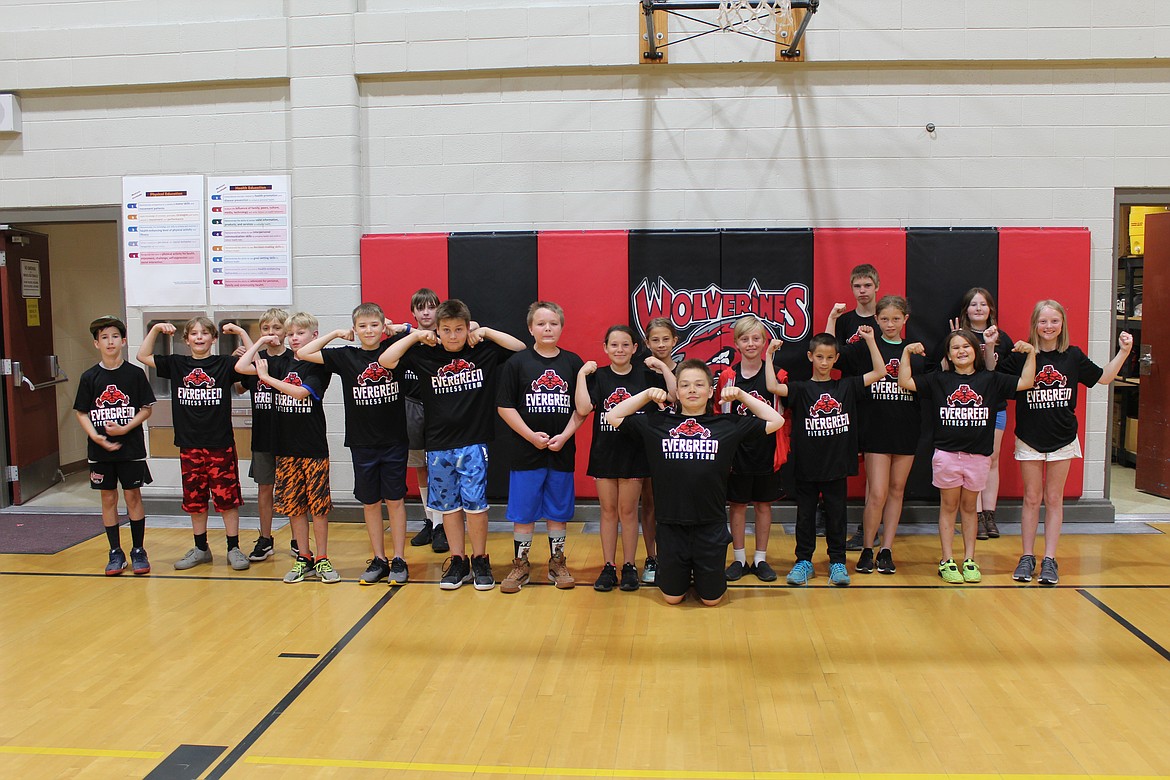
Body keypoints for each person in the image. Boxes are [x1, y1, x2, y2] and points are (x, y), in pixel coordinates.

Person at [606, 359, 783, 606]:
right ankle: (684, 573)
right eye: (685, 385)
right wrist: (646, 394)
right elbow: (612, 416)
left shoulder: (727, 425)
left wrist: (742, 395)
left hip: (710, 525)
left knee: (711, 600)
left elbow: (777, 421)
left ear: (711, 391)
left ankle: (699, 572)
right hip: (670, 524)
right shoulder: (658, 423)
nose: (692, 390)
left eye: (699, 385)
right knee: (672, 598)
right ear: (676, 392)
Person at [378, 299, 525, 591]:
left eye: (459, 329)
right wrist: (416, 335)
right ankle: (458, 560)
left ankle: (480, 558)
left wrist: (485, 332)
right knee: (449, 506)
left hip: (473, 442)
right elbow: (386, 361)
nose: (454, 336)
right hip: (438, 445)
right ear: (438, 329)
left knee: (475, 505)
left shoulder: (480, 351)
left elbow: (519, 348)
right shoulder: (425, 354)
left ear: (467, 327)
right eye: (447, 330)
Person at [1000, 300, 1133, 585]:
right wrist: (988, 348)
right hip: (1029, 438)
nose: (1049, 327)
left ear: (1062, 325)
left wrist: (1124, 351)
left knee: (1054, 499)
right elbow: (994, 379)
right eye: (1043, 321)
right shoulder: (1024, 355)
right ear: (1035, 324)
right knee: (1031, 499)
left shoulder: (1072, 356)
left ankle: (1049, 558)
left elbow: (1105, 378)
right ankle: (1027, 556)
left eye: (1054, 321)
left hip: (1062, 438)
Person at [898, 330, 1036, 584]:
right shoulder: (940, 379)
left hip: (978, 457)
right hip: (947, 455)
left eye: (966, 346)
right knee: (949, 507)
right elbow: (905, 382)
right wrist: (906, 352)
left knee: (970, 509)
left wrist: (1031, 354)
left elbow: (1026, 382)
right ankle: (947, 559)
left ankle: (970, 559)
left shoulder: (991, 379)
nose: (961, 351)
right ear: (948, 355)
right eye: (955, 348)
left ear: (977, 350)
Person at [297, 302, 412, 586]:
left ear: (383, 326)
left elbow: (425, 335)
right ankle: (379, 559)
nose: (369, 330)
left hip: (394, 439)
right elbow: (303, 352)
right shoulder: (346, 356)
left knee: (395, 501)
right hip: (362, 442)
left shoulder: (395, 347)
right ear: (355, 329)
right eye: (362, 326)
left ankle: (399, 558)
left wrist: (403, 329)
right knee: (370, 502)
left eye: (375, 325)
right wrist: (336, 333)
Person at [766, 329, 886, 587]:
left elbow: (880, 372)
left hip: (837, 465)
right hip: (807, 465)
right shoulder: (800, 388)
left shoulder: (846, 385)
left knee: (836, 516)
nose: (823, 362)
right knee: (805, 517)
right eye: (819, 356)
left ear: (836, 359)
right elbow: (772, 386)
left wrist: (870, 340)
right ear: (810, 356)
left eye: (829, 357)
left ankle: (837, 561)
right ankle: (803, 561)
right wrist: (768, 354)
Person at [138, 317, 251, 571]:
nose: (199, 337)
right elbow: (142, 355)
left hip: (220, 443)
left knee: (227, 499)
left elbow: (253, 364)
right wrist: (156, 329)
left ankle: (233, 547)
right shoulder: (178, 364)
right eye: (194, 334)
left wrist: (242, 332)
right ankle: (201, 548)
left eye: (205, 333)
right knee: (195, 499)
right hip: (189, 444)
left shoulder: (224, 363)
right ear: (186, 339)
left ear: (214, 339)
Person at [237, 312, 336, 584]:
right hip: (285, 449)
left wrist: (267, 379)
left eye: (300, 333)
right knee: (294, 507)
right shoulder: (279, 363)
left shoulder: (318, 365)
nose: (294, 338)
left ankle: (322, 559)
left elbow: (300, 393)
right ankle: (303, 557)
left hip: (313, 448)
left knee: (318, 508)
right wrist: (257, 345)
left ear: (313, 336)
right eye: (290, 333)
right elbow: (242, 367)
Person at [496, 301, 586, 594]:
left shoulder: (573, 363)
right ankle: (521, 564)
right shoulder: (517, 363)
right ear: (530, 328)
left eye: (553, 324)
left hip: (561, 451)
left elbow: (582, 408)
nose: (548, 329)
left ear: (562, 326)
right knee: (524, 513)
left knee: (557, 513)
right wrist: (530, 435)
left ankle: (556, 562)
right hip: (526, 452)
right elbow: (505, 407)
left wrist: (566, 435)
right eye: (541, 324)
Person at [576, 325, 674, 592]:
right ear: (605, 348)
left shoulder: (646, 375)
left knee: (629, 511)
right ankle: (609, 566)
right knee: (608, 512)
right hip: (605, 453)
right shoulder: (600, 376)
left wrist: (664, 369)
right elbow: (584, 408)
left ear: (634, 348)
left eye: (625, 345)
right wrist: (581, 376)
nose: (619, 350)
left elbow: (674, 395)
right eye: (614, 345)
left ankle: (630, 565)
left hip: (635, 453)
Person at [840, 295, 926, 575]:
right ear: (875, 319)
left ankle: (886, 549)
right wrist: (832, 320)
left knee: (896, 491)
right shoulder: (866, 349)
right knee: (876, 493)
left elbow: (925, 386)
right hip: (875, 430)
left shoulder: (914, 351)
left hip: (906, 429)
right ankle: (867, 548)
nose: (890, 324)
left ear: (905, 320)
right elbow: (829, 352)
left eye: (896, 319)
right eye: (885, 319)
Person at [74, 315, 156, 576]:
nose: (110, 342)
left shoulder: (134, 374)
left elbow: (146, 409)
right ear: (96, 343)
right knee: (108, 497)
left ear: (123, 341)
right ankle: (115, 552)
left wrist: (125, 428)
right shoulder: (89, 377)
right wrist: (96, 437)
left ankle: (138, 550)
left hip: (130, 448)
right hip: (99, 451)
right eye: (104, 338)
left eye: (114, 337)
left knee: (133, 496)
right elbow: (82, 413)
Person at [950, 287, 1013, 539]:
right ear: (966, 309)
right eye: (973, 304)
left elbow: (998, 375)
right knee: (971, 460)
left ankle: (989, 515)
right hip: (967, 409)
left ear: (990, 309)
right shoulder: (959, 337)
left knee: (992, 459)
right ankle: (973, 515)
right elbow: (945, 369)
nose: (978, 309)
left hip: (995, 407)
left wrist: (990, 346)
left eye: (983, 304)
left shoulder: (1002, 338)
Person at [723, 316, 782, 583]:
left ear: (764, 342)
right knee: (736, 505)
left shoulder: (777, 375)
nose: (750, 343)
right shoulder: (728, 376)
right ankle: (738, 559)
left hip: (767, 450)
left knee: (763, 504)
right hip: (737, 454)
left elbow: (781, 413)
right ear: (736, 343)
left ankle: (760, 558)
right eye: (745, 339)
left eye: (756, 338)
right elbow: (722, 416)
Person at [825, 262, 880, 550]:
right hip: (848, 395)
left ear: (876, 287)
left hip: (879, 397)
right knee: (842, 458)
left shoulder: (885, 318)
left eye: (867, 285)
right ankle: (832, 517)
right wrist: (832, 319)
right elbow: (828, 352)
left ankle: (869, 527)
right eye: (857, 286)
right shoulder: (845, 321)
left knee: (876, 466)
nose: (862, 291)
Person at [238, 307, 289, 562]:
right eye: (266, 329)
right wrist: (249, 352)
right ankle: (266, 538)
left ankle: (297, 538)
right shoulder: (255, 362)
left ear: (286, 331)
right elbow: (238, 387)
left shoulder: (294, 358)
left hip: (290, 435)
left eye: (277, 328)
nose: (271, 333)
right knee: (264, 488)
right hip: (262, 436)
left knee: (292, 489)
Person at [403, 288, 449, 554]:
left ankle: (443, 524)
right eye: (421, 307)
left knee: (440, 467)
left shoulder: (448, 335)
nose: (426, 312)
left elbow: (474, 325)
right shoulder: (407, 338)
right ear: (414, 312)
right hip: (411, 406)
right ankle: (430, 521)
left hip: (439, 408)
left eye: (431, 306)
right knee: (420, 467)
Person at [637, 316, 679, 584]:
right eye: (655, 340)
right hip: (648, 445)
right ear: (646, 343)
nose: (661, 344)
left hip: (678, 445)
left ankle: (675, 555)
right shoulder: (638, 371)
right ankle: (652, 557)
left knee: (675, 502)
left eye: (666, 339)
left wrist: (664, 369)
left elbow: (676, 396)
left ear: (675, 341)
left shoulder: (684, 369)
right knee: (650, 502)